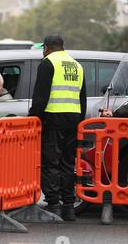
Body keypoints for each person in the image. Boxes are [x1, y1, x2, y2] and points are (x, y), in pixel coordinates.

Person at [29, 34, 87, 221]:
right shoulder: (77, 65)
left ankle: (53, 205)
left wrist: (33, 118)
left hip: (53, 119)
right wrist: (79, 121)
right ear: (63, 46)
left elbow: (40, 97)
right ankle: (69, 207)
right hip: (73, 119)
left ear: (46, 48)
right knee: (68, 164)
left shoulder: (48, 63)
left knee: (51, 163)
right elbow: (82, 98)